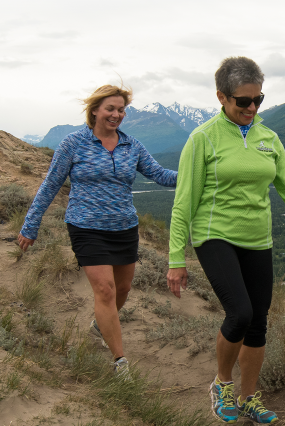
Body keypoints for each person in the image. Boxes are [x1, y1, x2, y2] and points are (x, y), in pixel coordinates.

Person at [166, 56, 285, 426]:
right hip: (214, 234)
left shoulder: (269, 139)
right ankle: (222, 384)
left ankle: (249, 398)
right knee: (241, 313)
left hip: (257, 239)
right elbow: (184, 201)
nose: (251, 108)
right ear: (221, 97)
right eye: (243, 101)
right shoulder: (202, 139)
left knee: (259, 321)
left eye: (258, 100)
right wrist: (175, 258)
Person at [18, 84, 178, 377]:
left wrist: (196, 176)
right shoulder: (73, 143)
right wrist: (31, 223)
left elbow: (160, 175)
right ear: (94, 111)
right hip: (86, 226)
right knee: (105, 290)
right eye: (110, 109)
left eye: (121, 110)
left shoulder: (133, 146)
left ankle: (100, 325)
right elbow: (51, 184)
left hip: (124, 227)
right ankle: (120, 362)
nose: (116, 115)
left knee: (123, 289)